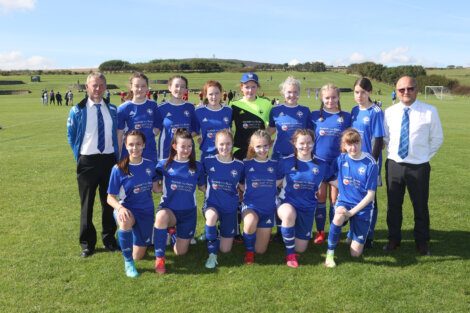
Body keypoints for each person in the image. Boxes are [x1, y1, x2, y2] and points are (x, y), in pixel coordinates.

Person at [383, 76, 443, 256]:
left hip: (419, 167)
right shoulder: (389, 112)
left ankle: (422, 242)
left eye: (410, 88)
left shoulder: (430, 111)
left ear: (416, 89)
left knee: (420, 206)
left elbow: (437, 139)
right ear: (396, 91)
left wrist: (423, 156)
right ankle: (394, 239)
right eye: (401, 89)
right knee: (394, 205)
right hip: (394, 165)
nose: (406, 92)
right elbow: (385, 138)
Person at [66, 72, 119, 258]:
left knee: (109, 203)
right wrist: (80, 158)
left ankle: (109, 239)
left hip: (109, 161)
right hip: (87, 161)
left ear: (105, 87)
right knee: (86, 204)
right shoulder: (77, 110)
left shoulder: (112, 109)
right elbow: (71, 136)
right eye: (94, 85)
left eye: (101, 85)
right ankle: (87, 244)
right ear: (87, 87)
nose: (97, 89)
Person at [107, 130, 158, 278]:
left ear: (143, 145)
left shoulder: (150, 165)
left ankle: (126, 237)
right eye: (131, 145)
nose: (134, 148)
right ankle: (128, 262)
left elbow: (156, 188)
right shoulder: (118, 169)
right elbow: (110, 197)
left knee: (139, 255)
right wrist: (120, 208)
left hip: (146, 212)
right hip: (127, 209)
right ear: (125, 145)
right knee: (125, 220)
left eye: (138, 144)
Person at [153, 129, 205, 274]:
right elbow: (154, 185)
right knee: (161, 217)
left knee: (180, 252)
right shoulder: (163, 165)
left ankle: (173, 232)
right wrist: (156, 187)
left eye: (190, 146)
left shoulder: (198, 166)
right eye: (183, 146)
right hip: (169, 210)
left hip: (188, 213)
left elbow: (202, 187)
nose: (186, 149)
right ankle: (159, 258)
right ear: (175, 146)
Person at [324, 128, 378, 268]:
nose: (353, 147)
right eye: (349, 144)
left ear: (361, 143)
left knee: (355, 253)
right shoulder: (341, 159)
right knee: (338, 216)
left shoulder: (370, 163)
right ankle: (329, 255)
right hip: (344, 202)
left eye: (356, 143)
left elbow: (371, 196)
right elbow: (327, 176)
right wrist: (342, 188)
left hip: (363, 207)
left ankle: (352, 234)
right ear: (344, 145)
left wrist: (351, 213)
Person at [277, 129, 327, 268]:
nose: (305, 146)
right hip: (287, 203)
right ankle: (290, 254)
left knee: (301, 248)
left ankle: (289, 234)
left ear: (313, 142)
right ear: (294, 143)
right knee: (288, 214)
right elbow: (274, 183)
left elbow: (336, 182)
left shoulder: (321, 164)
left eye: (309, 143)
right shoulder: (286, 161)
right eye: (301, 143)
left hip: (308, 208)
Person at [310, 84, 351, 245]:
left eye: (334, 97)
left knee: (335, 199)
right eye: (327, 97)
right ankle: (320, 232)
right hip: (319, 164)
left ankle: (335, 231)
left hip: (337, 164)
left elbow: (350, 140)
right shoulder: (314, 116)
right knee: (320, 198)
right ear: (322, 98)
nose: (330, 100)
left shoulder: (345, 117)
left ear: (338, 97)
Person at [202, 130, 244, 269]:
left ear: (233, 144)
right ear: (215, 144)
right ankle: (212, 254)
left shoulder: (239, 165)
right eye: (221, 144)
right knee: (211, 217)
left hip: (230, 207)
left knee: (226, 249)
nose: (224, 147)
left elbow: (243, 186)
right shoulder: (208, 161)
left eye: (228, 144)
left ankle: (214, 234)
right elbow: (200, 181)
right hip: (212, 204)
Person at [351, 77, 384, 248]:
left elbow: (378, 140)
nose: (359, 95)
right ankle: (354, 232)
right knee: (355, 195)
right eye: (357, 92)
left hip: (370, 162)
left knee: (370, 198)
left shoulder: (376, 111)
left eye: (363, 92)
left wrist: (373, 162)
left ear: (369, 92)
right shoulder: (354, 111)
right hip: (354, 161)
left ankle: (368, 235)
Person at [240, 130, 281, 264]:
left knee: (261, 250)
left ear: (270, 145)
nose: (262, 149)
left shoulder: (275, 164)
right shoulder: (246, 164)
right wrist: (245, 191)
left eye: (265, 146)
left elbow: (281, 181)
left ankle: (252, 237)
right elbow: (238, 182)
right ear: (252, 147)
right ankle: (249, 251)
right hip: (251, 206)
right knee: (250, 221)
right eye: (258, 146)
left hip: (268, 209)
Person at [117, 72, 160, 162]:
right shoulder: (123, 108)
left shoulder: (153, 105)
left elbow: (158, 125)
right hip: (129, 154)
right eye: (136, 86)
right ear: (131, 87)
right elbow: (119, 134)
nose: (140, 89)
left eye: (143, 86)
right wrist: (118, 155)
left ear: (147, 88)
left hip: (149, 152)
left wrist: (151, 133)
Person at [268, 76, 311, 161]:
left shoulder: (305, 110)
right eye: (289, 92)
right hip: (279, 154)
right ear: (283, 92)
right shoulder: (275, 110)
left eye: (295, 92)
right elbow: (271, 129)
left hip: (300, 155)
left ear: (299, 93)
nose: (292, 95)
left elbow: (311, 133)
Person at [231, 72, 272, 160]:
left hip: (260, 150)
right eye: (247, 87)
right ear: (241, 87)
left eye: (253, 87)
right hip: (240, 148)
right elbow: (227, 126)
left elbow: (273, 125)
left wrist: (265, 138)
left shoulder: (266, 103)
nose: (250, 90)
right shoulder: (234, 104)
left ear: (258, 87)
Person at [156, 75, 197, 160]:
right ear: (170, 87)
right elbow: (155, 130)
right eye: (176, 86)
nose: (179, 89)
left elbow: (196, 130)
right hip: (166, 151)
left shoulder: (190, 107)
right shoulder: (161, 108)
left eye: (182, 87)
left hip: (186, 151)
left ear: (186, 90)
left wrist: (183, 138)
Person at [195, 80, 232, 160]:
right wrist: (199, 137)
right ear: (206, 95)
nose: (214, 97)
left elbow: (230, 130)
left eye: (217, 93)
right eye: (211, 94)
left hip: (225, 153)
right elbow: (195, 130)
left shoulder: (228, 110)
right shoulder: (199, 111)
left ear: (221, 94)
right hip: (207, 154)